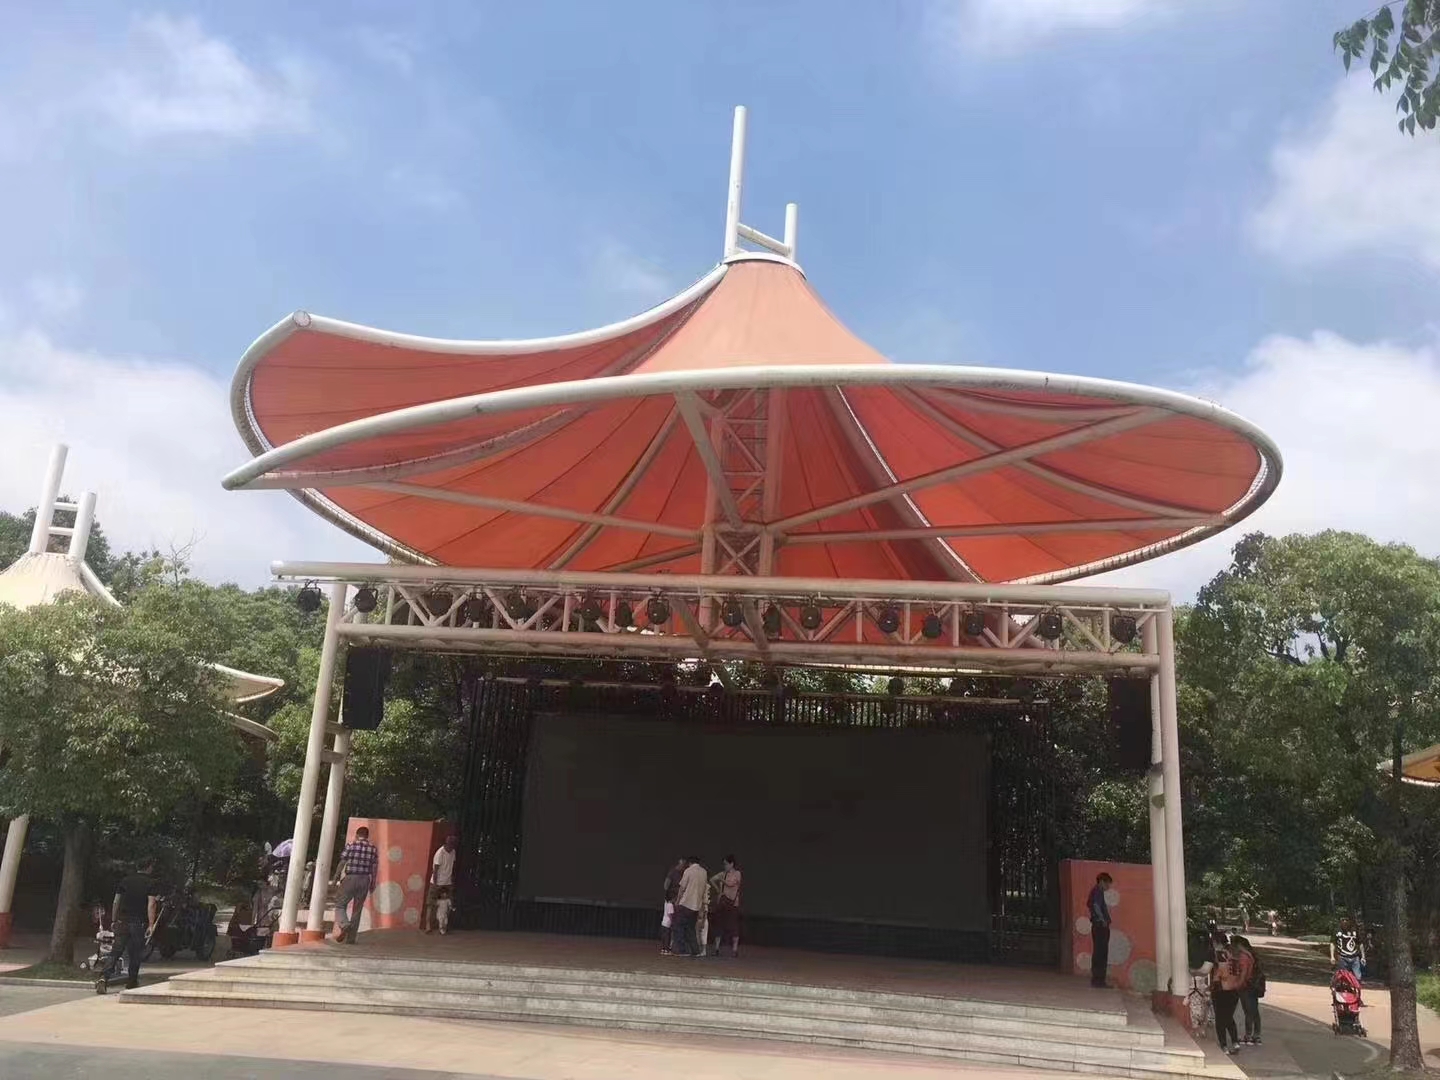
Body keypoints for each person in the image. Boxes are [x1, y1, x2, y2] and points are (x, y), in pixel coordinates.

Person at [102, 858, 160, 992]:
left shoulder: (125, 881)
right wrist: (151, 925)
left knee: (116, 950)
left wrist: (114, 919)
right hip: (138, 922)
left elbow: (116, 901)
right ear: (149, 867)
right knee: (135, 953)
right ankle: (131, 981)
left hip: (122, 920)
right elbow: (151, 904)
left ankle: (103, 977)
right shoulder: (151, 883)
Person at [333, 826, 379, 944]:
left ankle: (344, 924)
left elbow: (342, 862)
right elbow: (374, 868)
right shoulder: (373, 849)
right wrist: (373, 882)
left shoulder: (351, 846)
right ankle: (351, 939)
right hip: (365, 879)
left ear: (357, 835)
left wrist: (336, 876)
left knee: (340, 904)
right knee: (357, 910)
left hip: (351, 878)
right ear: (367, 836)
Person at [1211, 932, 1250, 1056]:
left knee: (1220, 1019)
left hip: (1221, 991)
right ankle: (1235, 1042)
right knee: (1228, 1017)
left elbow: (1217, 977)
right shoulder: (1235, 960)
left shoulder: (1220, 961)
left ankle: (1223, 1045)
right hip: (1234, 992)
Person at [672, 855, 707, 958]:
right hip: (696, 905)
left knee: (679, 927)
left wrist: (677, 901)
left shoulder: (688, 871)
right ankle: (695, 950)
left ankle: (681, 950)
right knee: (691, 929)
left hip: (686, 903)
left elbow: (682, 887)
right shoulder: (704, 872)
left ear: (690, 863)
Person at [708, 855, 743, 958]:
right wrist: (719, 890)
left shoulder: (737, 873)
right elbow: (712, 879)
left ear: (731, 864)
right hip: (722, 902)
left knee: (733, 926)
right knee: (719, 925)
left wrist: (721, 880)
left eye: (726, 864)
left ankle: (735, 949)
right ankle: (716, 948)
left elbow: (731, 884)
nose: (725, 866)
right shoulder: (723, 874)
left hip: (733, 903)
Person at [423, 834, 458, 934]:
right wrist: (435, 884)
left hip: (448, 882)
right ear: (446, 844)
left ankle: (443, 925)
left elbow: (452, 866)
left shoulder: (453, 852)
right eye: (450, 845)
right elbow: (435, 870)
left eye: (453, 845)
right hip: (437, 882)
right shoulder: (440, 853)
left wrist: (451, 880)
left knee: (448, 904)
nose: (451, 848)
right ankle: (428, 925)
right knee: (431, 903)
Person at [1233, 934, 1263, 1045]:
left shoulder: (1243, 957)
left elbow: (1243, 974)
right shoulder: (1251, 955)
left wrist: (1237, 985)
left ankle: (1248, 1035)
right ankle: (1256, 1035)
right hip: (1253, 985)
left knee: (1248, 1012)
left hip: (1246, 986)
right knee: (1254, 1011)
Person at [1087, 872, 1113, 988]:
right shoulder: (1097, 891)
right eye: (1107, 884)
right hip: (1100, 926)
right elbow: (1096, 906)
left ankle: (1097, 979)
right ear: (1102, 882)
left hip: (1097, 925)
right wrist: (1103, 920)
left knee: (1099, 952)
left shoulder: (1096, 891)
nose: (1108, 887)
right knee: (1101, 953)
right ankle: (1099, 980)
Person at [660, 857, 685, 956]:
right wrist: (672, 897)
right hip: (671, 901)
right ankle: (666, 947)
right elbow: (666, 886)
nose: (683, 867)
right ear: (679, 864)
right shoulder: (673, 873)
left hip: (673, 901)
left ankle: (667, 947)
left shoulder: (681, 873)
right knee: (669, 923)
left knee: (668, 923)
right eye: (682, 865)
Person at [1331, 916, 1364, 981]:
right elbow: (1332, 943)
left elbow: (1360, 943)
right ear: (1340, 921)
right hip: (1342, 957)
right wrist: (1332, 956)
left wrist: (1363, 957)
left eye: (1346, 920)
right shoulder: (1337, 931)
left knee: (1358, 977)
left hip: (1354, 957)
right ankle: (1336, 983)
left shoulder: (1354, 931)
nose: (1345, 921)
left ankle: (1355, 986)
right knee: (1344, 976)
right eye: (1343, 920)